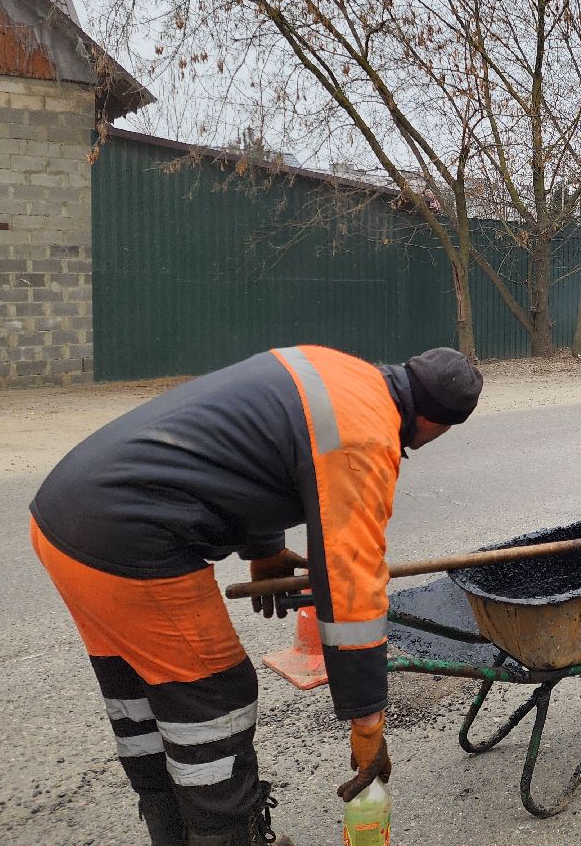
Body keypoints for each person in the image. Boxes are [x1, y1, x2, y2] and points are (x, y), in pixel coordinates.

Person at [29, 345, 483, 846]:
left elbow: (254, 451)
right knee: (214, 697)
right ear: (436, 424)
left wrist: (265, 549)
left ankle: (172, 833)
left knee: (143, 690)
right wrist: (368, 720)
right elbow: (351, 587)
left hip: (62, 519)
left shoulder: (340, 370)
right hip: (129, 537)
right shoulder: (366, 437)